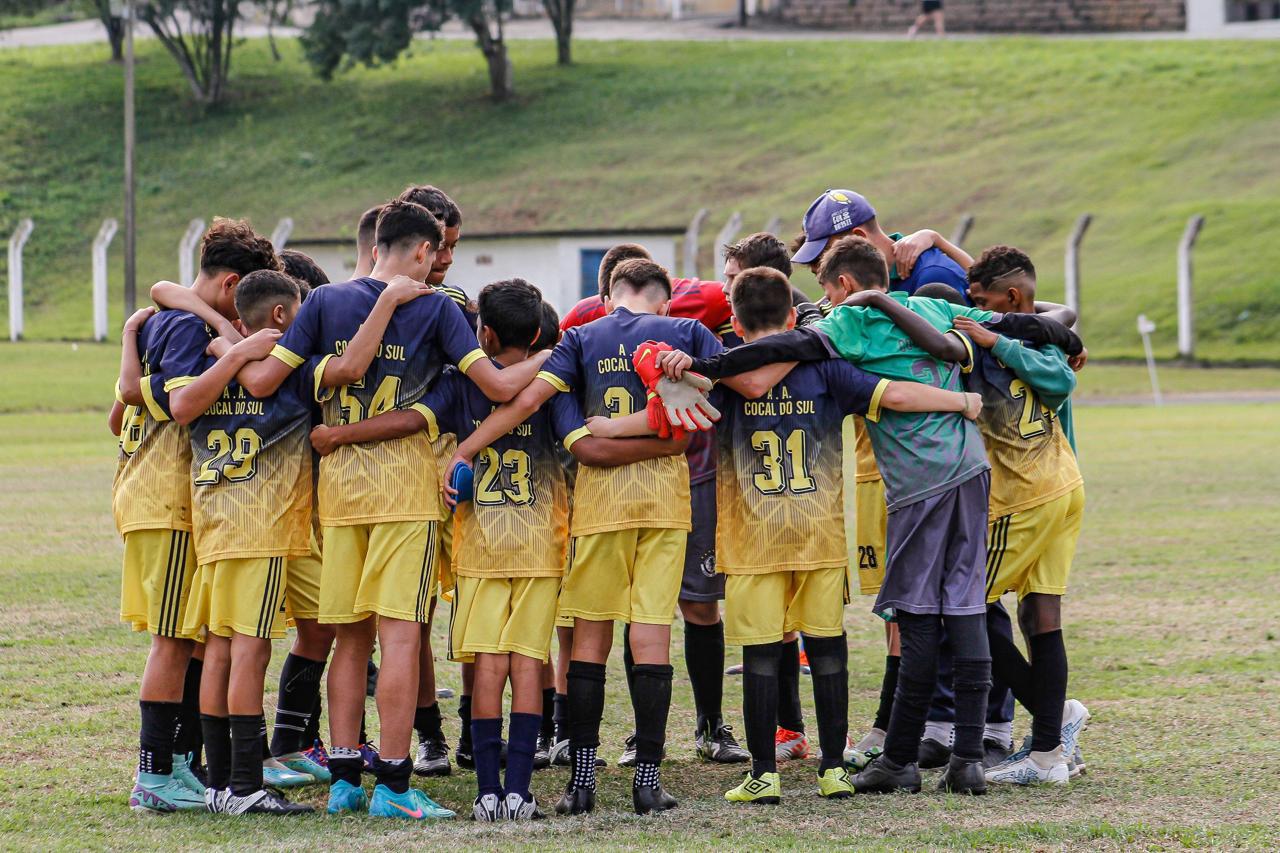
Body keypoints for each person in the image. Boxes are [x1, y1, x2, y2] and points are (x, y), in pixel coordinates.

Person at [654, 236, 1083, 795]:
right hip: (973, 471)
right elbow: (1038, 319)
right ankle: (969, 760)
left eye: (829, 291)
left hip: (919, 482)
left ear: (845, 286)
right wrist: (1064, 337)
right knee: (966, 607)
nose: (827, 304)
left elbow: (772, 355)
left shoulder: (846, 322)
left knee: (918, 617)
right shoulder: (934, 307)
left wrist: (702, 364)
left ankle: (900, 758)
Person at [596, 266, 982, 803]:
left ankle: (763, 774)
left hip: (753, 540)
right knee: (827, 649)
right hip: (818, 536)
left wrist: (607, 427)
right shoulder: (826, 368)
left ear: (734, 319)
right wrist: (960, 401)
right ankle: (831, 768)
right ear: (794, 315)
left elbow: (667, 409)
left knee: (759, 654)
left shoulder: (726, 376)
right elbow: (894, 395)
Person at [231, 199, 546, 820]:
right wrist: (562, 356)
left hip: (340, 496)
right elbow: (502, 389)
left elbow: (265, 381)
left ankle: (346, 776)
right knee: (401, 637)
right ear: (425, 252)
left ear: (376, 244)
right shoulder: (435, 308)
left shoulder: (321, 303)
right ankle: (396, 787)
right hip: (404, 494)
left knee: (350, 638)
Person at [442, 259, 784, 815]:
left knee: (591, 641)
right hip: (665, 503)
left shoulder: (581, 336)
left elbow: (526, 403)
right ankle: (647, 784)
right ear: (665, 300)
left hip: (601, 506)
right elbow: (730, 395)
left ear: (607, 297)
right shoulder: (688, 333)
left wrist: (466, 448)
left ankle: (581, 784)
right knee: (650, 636)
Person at [904, 249, 1091, 784]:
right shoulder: (1040, 333)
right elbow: (1060, 333)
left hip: (1026, 495)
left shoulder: (987, 344)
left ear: (1009, 298)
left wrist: (995, 336)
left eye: (980, 300)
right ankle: (1047, 758)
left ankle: (1055, 728)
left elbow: (1060, 381)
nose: (971, 308)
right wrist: (1007, 323)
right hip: (1064, 484)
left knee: (962, 605)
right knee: (1040, 615)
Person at [113, 219, 279, 814]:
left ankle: (181, 764)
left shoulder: (167, 318)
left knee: (190, 638)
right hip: (169, 501)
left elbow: (122, 408)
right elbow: (183, 405)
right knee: (172, 640)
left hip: (157, 498)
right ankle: (155, 775)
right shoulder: (184, 325)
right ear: (232, 282)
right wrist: (233, 349)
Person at [791, 189, 969, 303]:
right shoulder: (860, 282)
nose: (825, 270)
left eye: (827, 254)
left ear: (859, 238)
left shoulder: (932, 275)